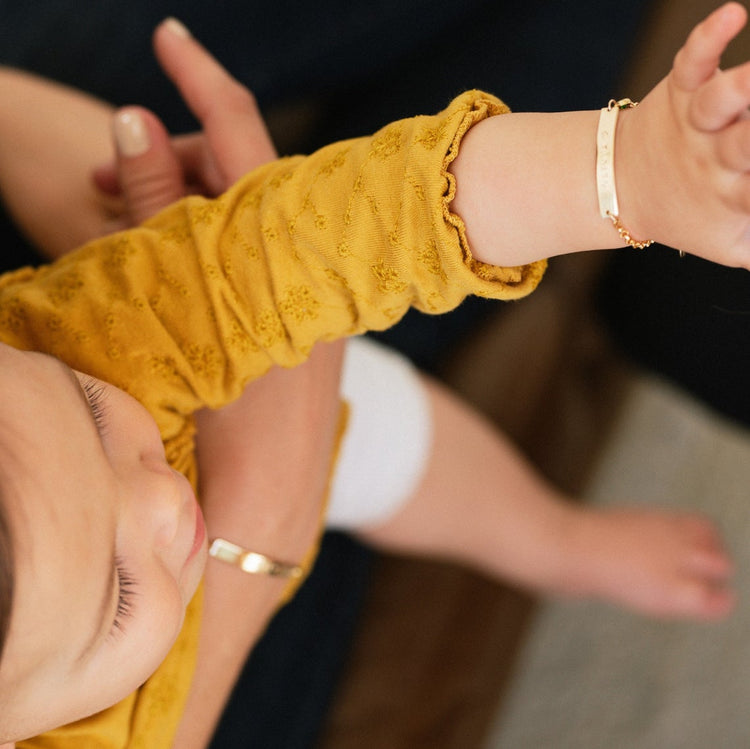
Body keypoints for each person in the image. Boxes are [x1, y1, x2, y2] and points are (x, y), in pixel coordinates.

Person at [0, 3, 748, 745]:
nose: (167, 493)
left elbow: (335, 234)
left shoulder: (73, 346)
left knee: (379, 430)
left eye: (90, 409)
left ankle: (553, 535)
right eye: (118, 596)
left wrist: (626, 172)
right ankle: (563, 542)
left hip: (267, 390)